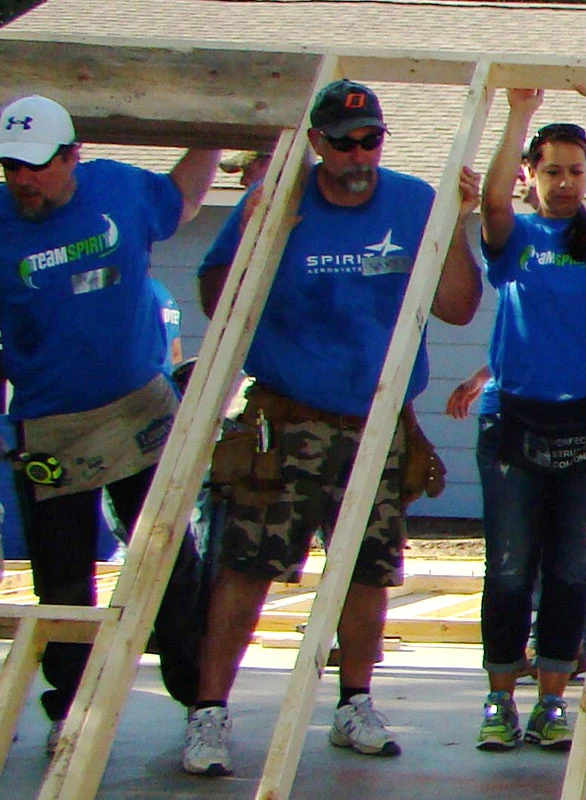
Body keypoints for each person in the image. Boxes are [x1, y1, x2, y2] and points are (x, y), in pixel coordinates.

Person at [182, 80, 481, 775]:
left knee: (368, 568)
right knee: (248, 564)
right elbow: (214, 298)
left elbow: (461, 308)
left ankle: (354, 703)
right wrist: (257, 228)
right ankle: (209, 714)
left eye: (369, 139)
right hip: (288, 420)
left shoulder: (413, 203)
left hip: (378, 422)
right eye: (342, 143)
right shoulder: (283, 198)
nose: (357, 155)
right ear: (316, 143)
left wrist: (455, 223)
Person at [0, 92, 217, 763]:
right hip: (51, 424)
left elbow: (179, 201)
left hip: (138, 410)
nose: (22, 180)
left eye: (36, 166)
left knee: (168, 565)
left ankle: (201, 705)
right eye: (10, 167)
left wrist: (214, 138)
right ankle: (72, 715)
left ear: (73, 156)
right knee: (63, 584)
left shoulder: (119, 188)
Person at [471, 86, 586, 753]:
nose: (565, 182)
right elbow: (489, 206)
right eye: (551, 170)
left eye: (576, 170)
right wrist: (517, 111)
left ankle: (550, 701)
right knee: (511, 566)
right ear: (530, 176)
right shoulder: (515, 239)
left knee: (571, 566)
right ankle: (498, 697)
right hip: (514, 423)